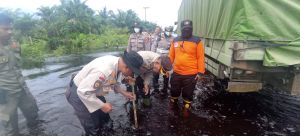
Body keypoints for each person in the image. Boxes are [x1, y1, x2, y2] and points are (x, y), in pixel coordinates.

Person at [65, 51, 144, 136]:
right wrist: (102, 106)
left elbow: (111, 82)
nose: (132, 75)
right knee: (93, 127)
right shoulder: (104, 71)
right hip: (79, 94)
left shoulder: (116, 64)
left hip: (94, 90)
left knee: (106, 119)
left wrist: (124, 93)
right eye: (133, 72)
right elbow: (82, 92)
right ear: (127, 67)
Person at [0, 13, 39, 136]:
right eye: (6, 29)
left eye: (11, 28)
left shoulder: (14, 43)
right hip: (4, 96)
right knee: (10, 129)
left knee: (33, 115)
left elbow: (16, 66)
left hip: (22, 89)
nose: (10, 31)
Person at [168, 20, 205, 118]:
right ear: (181, 29)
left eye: (189, 29)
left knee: (188, 93)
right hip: (177, 72)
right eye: (185, 29)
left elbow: (200, 57)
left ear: (192, 29)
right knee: (174, 90)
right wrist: (166, 68)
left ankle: (186, 108)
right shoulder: (175, 40)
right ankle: (173, 104)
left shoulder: (197, 41)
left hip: (191, 73)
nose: (187, 31)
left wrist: (200, 72)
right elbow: (171, 56)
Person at [152, 26, 175, 97]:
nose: (169, 32)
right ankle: (156, 89)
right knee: (155, 75)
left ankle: (164, 90)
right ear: (164, 31)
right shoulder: (159, 37)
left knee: (166, 75)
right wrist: (153, 57)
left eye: (170, 31)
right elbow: (154, 46)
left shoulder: (173, 39)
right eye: (167, 31)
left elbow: (173, 50)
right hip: (157, 59)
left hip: (166, 60)